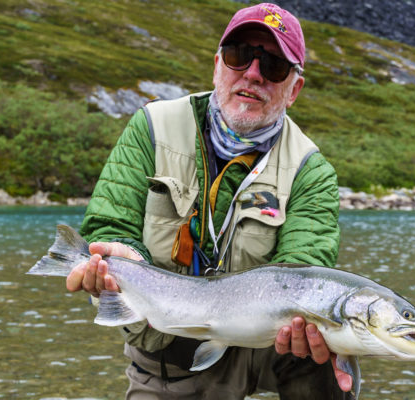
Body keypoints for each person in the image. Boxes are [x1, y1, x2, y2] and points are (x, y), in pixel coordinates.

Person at [65, 3, 352, 399]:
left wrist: (327, 334)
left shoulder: (311, 170)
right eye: (239, 56)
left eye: (274, 66)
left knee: (331, 348)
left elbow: (304, 272)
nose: (253, 73)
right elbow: (111, 227)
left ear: (294, 90)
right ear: (218, 64)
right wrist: (116, 257)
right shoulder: (151, 127)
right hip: (170, 351)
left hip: (269, 345)